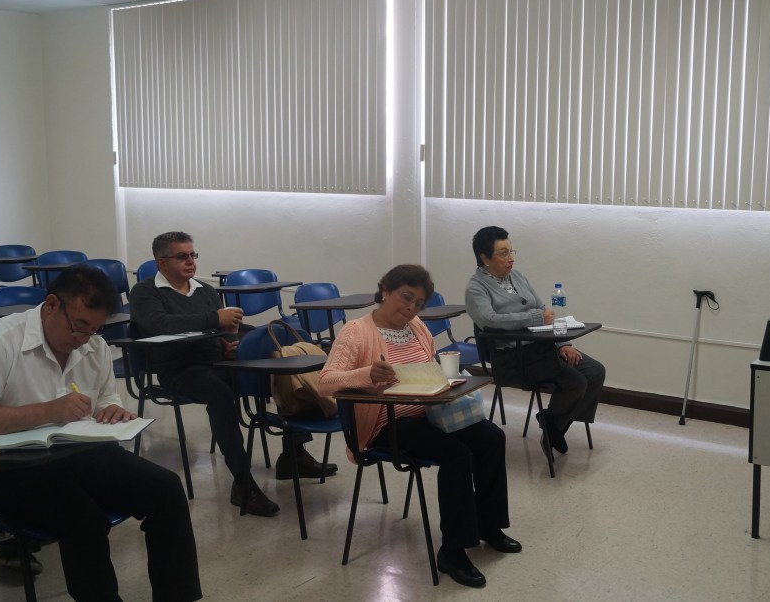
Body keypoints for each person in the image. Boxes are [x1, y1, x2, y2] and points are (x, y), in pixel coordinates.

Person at [0, 264, 202, 601]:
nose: (83, 339)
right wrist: (47, 411)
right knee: (84, 520)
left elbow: (106, 399)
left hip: (81, 454)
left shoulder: (93, 345)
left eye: (94, 330)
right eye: (79, 326)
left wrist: (112, 411)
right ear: (52, 304)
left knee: (166, 489)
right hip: (13, 469)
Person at [318, 264, 520, 588]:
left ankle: (488, 525)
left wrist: (447, 382)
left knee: (491, 437)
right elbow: (325, 383)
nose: (411, 308)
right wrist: (366, 374)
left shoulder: (417, 327)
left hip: (428, 413)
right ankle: (453, 551)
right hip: (386, 424)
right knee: (456, 455)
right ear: (385, 291)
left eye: (418, 303)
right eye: (405, 297)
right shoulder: (356, 331)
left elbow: (428, 371)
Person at [129, 231, 334, 518]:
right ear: (161, 262)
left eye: (192, 255)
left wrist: (232, 343)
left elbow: (223, 330)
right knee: (220, 393)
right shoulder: (145, 291)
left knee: (277, 374)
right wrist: (215, 318)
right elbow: (159, 325)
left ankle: (293, 455)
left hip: (217, 362)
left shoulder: (204, 290)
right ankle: (242, 482)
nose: (190, 262)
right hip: (179, 369)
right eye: (181, 256)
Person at [464, 225, 606, 457]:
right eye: (503, 253)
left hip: (542, 347)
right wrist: (534, 317)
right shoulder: (475, 289)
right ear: (485, 258)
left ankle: (554, 424)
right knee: (576, 382)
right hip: (512, 357)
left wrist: (563, 344)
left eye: (511, 251)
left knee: (595, 372)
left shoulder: (517, 276)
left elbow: (543, 309)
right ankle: (553, 425)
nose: (511, 258)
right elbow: (490, 321)